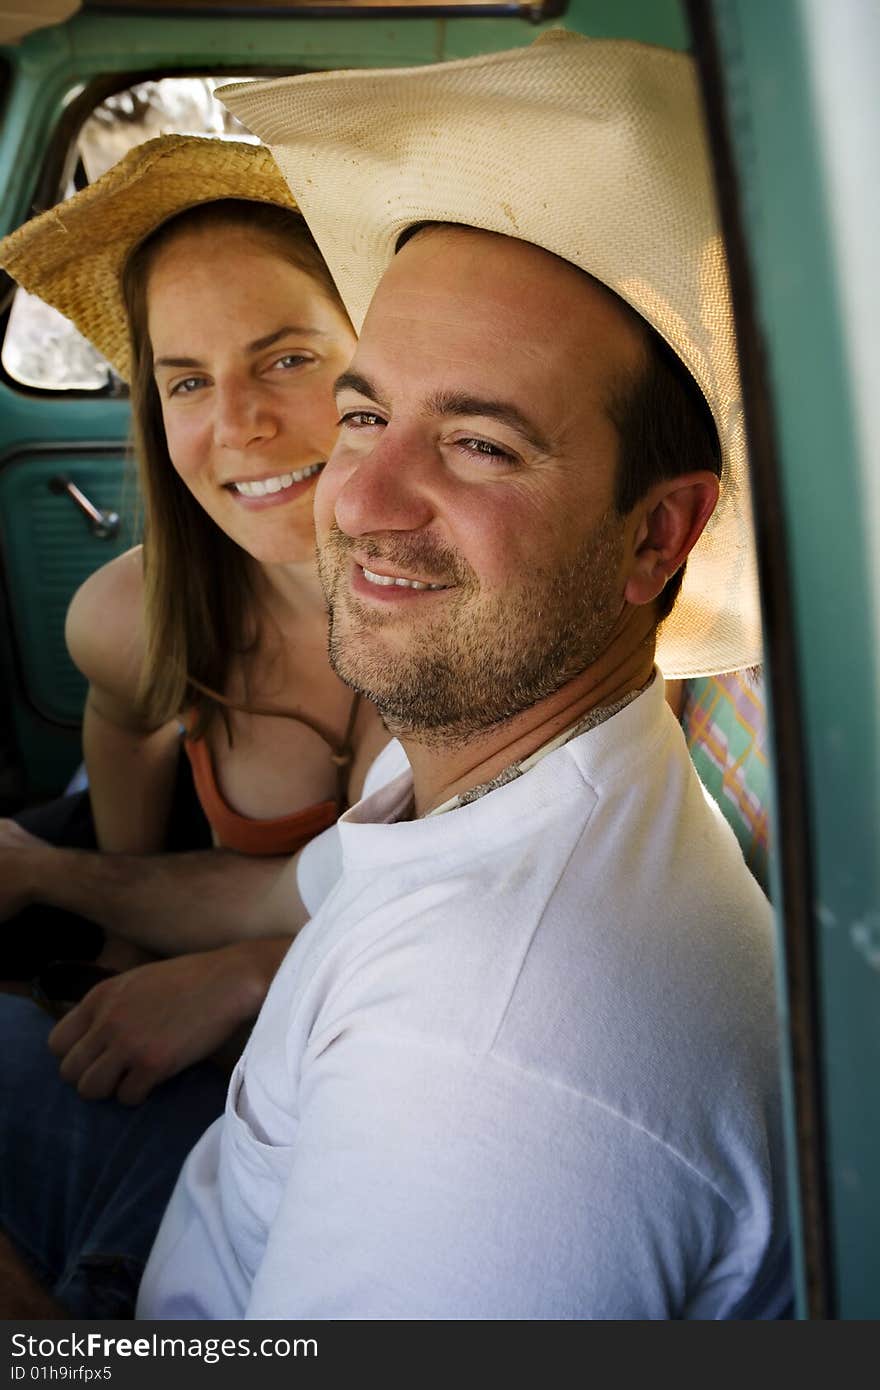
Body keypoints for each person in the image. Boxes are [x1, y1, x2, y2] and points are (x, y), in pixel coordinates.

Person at [13, 33, 792, 1319]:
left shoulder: (501, 1076)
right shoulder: (500, 776)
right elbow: (298, 895)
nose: (355, 494)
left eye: (480, 443)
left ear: (658, 535)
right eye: (369, 413)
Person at [0, 135, 388, 1314]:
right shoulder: (131, 619)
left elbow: (442, 932)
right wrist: (105, 904)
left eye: (286, 356)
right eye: (184, 379)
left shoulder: (473, 652)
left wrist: (245, 974)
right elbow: (125, 732)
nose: (237, 426)